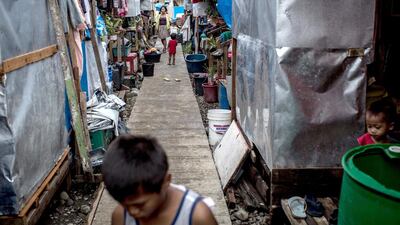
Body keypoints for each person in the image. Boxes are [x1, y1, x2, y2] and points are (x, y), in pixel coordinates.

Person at [102, 134, 219, 225]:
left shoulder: (197, 216)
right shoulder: (121, 216)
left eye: (140, 205)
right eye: (124, 204)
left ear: (165, 182)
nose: (132, 212)